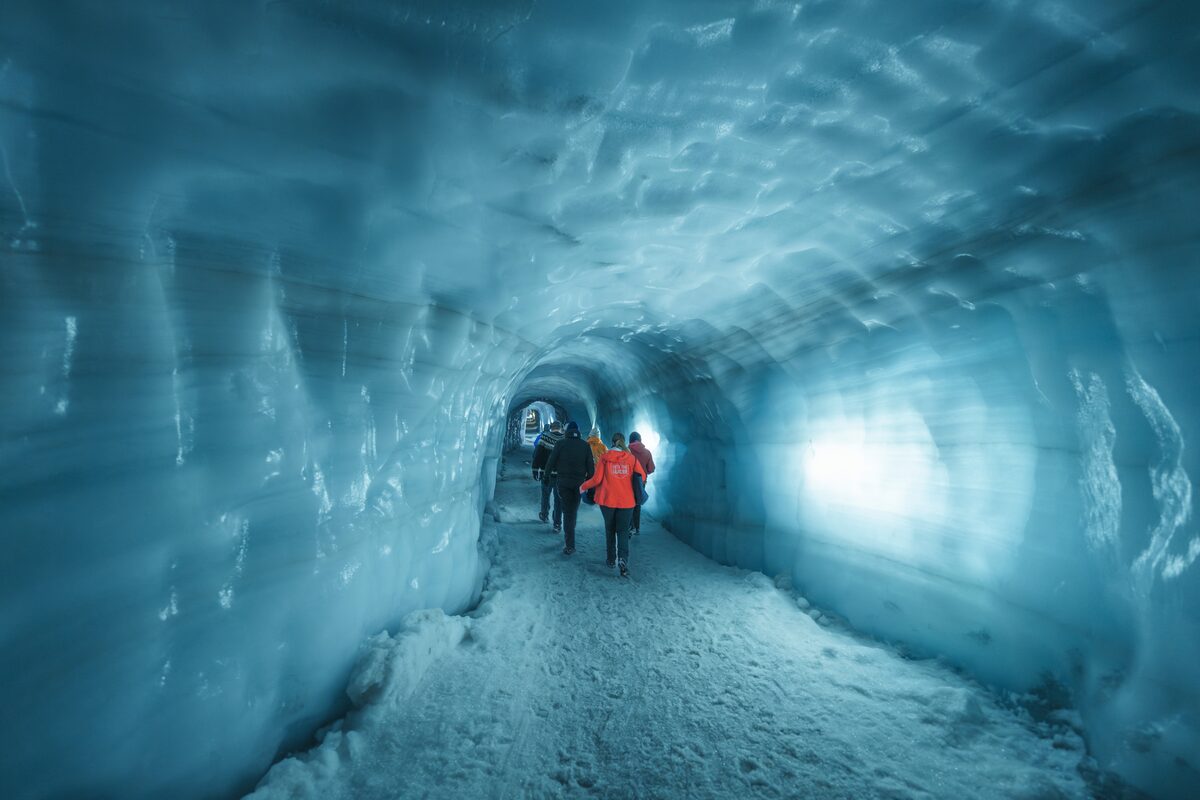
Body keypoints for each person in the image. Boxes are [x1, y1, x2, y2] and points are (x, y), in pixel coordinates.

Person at [579, 432, 646, 577]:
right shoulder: (631, 459)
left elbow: (596, 480)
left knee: (610, 529)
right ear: (623, 442)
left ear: (612, 442)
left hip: (607, 500)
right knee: (622, 531)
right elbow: (642, 476)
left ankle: (610, 559)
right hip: (627, 502)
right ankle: (623, 560)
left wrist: (583, 486)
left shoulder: (605, 457)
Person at [544, 421, 594, 555]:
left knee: (567, 511)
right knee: (573, 510)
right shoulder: (585, 445)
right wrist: (590, 485)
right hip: (579, 483)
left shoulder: (560, 444)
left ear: (566, 431)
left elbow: (551, 461)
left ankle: (569, 543)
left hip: (563, 482)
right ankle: (570, 532)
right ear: (578, 431)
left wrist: (546, 476)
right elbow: (591, 468)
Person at [531, 421, 563, 525]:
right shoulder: (565, 439)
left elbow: (538, 454)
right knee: (559, 499)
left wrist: (535, 470)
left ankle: (544, 515)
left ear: (551, 428)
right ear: (561, 428)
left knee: (545, 495)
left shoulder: (544, 437)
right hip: (561, 475)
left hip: (546, 473)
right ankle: (557, 521)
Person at [627, 431, 656, 535]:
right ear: (640, 439)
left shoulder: (627, 451)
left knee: (629, 503)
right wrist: (644, 471)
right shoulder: (647, 452)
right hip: (641, 482)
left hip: (628, 481)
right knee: (637, 504)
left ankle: (629, 526)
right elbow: (651, 468)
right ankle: (637, 528)